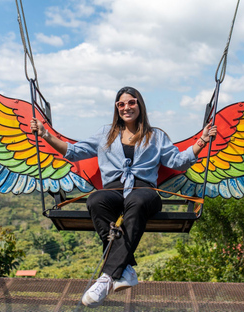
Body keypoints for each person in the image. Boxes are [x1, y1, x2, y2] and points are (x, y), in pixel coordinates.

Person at [31, 86, 217, 308]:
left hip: (144, 191)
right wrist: (45, 135)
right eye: (121, 104)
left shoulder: (156, 136)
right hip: (114, 189)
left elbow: (178, 162)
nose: (126, 107)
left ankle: (107, 276)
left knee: (136, 202)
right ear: (116, 108)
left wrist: (202, 141)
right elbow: (74, 152)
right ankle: (125, 268)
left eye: (131, 102)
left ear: (140, 105)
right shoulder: (105, 134)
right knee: (95, 200)